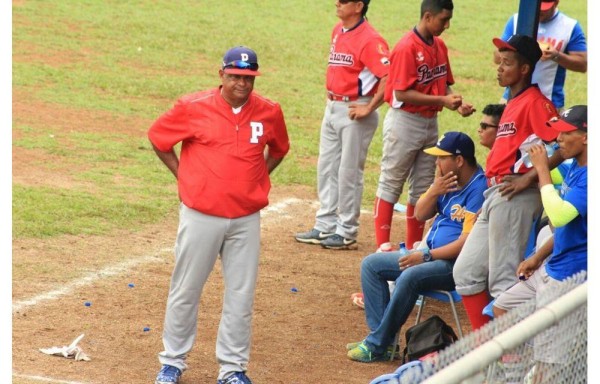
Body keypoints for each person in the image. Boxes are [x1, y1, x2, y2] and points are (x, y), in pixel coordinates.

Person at [148, 46, 290, 384]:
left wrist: (258, 178)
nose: (242, 83)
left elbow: (280, 148)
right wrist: (184, 175)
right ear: (221, 75)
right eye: (235, 76)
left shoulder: (269, 111)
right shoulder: (192, 107)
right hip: (202, 216)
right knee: (186, 289)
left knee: (241, 294)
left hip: (245, 218)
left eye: (248, 77)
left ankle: (232, 369)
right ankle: (172, 362)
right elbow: (158, 139)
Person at [347, 132, 487, 362]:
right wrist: (434, 189)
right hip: (427, 257)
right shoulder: (448, 182)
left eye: (442, 158)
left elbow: (466, 244)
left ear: (459, 160)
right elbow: (420, 214)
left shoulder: (478, 189)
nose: (437, 163)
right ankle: (385, 342)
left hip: (454, 265)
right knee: (371, 265)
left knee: (409, 276)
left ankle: (376, 345)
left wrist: (425, 256)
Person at [452, 34, 560, 331]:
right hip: (496, 193)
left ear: (524, 69)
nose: (500, 68)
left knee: (503, 281)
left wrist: (528, 178)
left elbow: (562, 145)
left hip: (516, 195)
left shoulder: (537, 103)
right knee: (467, 271)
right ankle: (484, 347)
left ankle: (508, 359)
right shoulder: (513, 101)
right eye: (500, 62)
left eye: (507, 63)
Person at [373, 0, 475, 254]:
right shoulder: (406, 47)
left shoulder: (439, 46)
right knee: (392, 181)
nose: (447, 25)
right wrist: (442, 100)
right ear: (428, 17)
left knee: (422, 186)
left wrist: (456, 102)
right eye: (443, 20)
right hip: (405, 121)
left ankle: (413, 245)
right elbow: (402, 93)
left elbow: (443, 82)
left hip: (430, 121)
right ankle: (382, 246)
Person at [493, 105, 587, 380]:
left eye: (565, 133)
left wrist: (543, 169)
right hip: (553, 266)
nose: (558, 139)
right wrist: (537, 257)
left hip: (571, 277)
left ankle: (543, 364)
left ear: (587, 137)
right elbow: (566, 228)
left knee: (547, 366)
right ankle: (523, 368)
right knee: (504, 307)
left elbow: (558, 216)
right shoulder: (577, 167)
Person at [295, 0, 390, 250]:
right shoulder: (338, 29)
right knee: (326, 167)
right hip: (333, 107)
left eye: (344, 0)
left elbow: (388, 77)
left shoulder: (371, 40)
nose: (337, 3)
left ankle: (346, 230)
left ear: (358, 5)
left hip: (355, 110)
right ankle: (325, 225)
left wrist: (368, 108)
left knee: (348, 172)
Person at [494, 0, 587, 111]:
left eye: (544, 8)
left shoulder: (570, 27)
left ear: (556, 3)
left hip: (549, 103)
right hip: (512, 98)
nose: (539, 11)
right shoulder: (516, 20)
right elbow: (496, 57)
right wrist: (518, 53)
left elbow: (582, 65)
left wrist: (556, 56)